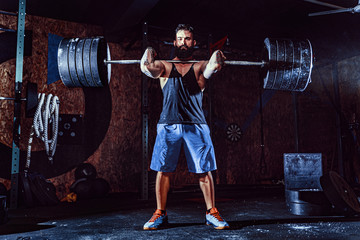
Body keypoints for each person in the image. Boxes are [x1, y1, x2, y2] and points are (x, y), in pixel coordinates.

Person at [140, 24, 229, 230]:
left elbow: (212, 66)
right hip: (168, 125)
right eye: (180, 39)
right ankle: (159, 213)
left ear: (193, 42)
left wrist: (216, 55)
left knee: (204, 171)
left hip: (196, 125)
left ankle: (211, 212)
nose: (183, 42)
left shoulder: (199, 66)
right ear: (174, 42)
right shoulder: (164, 65)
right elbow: (147, 68)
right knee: (163, 170)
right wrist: (150, 52)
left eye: (187, 39)